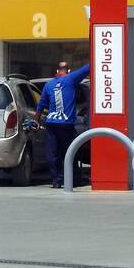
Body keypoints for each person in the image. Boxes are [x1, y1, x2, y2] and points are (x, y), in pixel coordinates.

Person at [37, 60, 90, 188]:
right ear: (69, 70)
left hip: (51, 123)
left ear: (56, 71)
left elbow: (41, 106)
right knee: (69, 152)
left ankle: (56, 180)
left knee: (52, 153)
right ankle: (70, 180)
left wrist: (36, 121)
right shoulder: (71, 78)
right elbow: (88, 67)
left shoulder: (48, 85)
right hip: (66, 124)